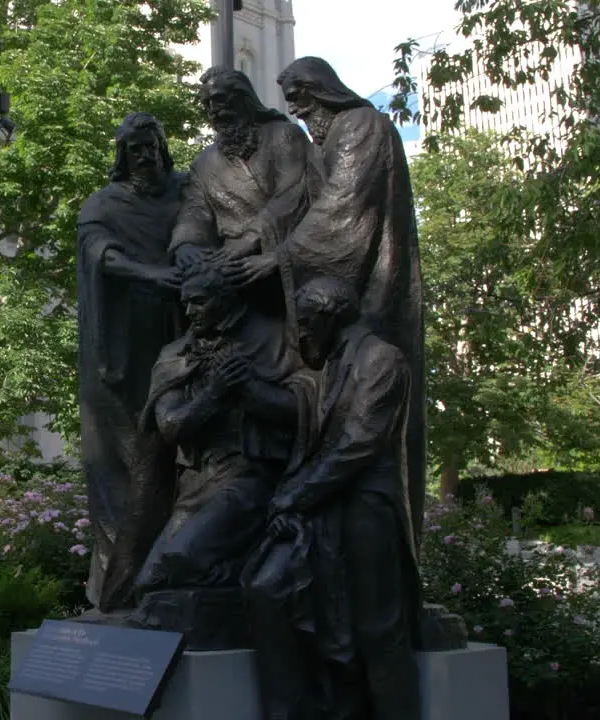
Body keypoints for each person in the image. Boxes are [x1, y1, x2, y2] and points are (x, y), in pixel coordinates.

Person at [224, 56, 427, 547]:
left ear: (322, 90)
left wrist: (278, 260)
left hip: (370, 293)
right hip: (332, 297)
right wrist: (248, 245)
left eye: (298, 95)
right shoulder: (322, 143)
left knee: (364, 414)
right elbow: (296, 204)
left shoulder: (363, 125)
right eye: (288, 99)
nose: (294, 108)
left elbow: (343, 208)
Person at [245, 277, 421, 720]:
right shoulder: (329, 369)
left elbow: (357, 444)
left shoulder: (382, 359)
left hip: (366, 509)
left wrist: (296, 497)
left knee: (377, 629)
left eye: (306, 322)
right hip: (327, 505)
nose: (302, 333)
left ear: (329, 316)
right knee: (310, 611)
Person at [134, 260, 316, 621]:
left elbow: (308, 411)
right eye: (185, 302)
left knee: (182, 560)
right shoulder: (174, 355)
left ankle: (255, 581)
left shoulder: (276, 339)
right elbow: (170, 427)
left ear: (229, 299)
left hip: (248, 478)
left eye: (199, 302)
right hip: (195, 486)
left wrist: (250, 389)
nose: (189, 311)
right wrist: (214, 394)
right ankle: (247, 573)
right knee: (149, 582)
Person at [77, 112, 187, 612]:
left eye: (150, 146)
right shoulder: (102, 205)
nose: (144, 156)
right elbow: (103, 256)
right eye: (134, 150)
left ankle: (175, 576)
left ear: (163, 147)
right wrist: (152, 276)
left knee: (185, 459)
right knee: (124, 469)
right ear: (121, 158)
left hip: (184, 341)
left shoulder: (187, 194)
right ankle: (120, 586)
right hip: (122, 358)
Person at [169, 67, 314, 274]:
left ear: (243, 98)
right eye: (207, 104)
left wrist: (252, 238)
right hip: (230, 258)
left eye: (219, 99)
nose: (213, 110)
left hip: (284, 247)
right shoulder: (203, 163)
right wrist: (186, 244)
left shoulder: (284, 136)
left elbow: (293, 193)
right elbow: (195, 210)